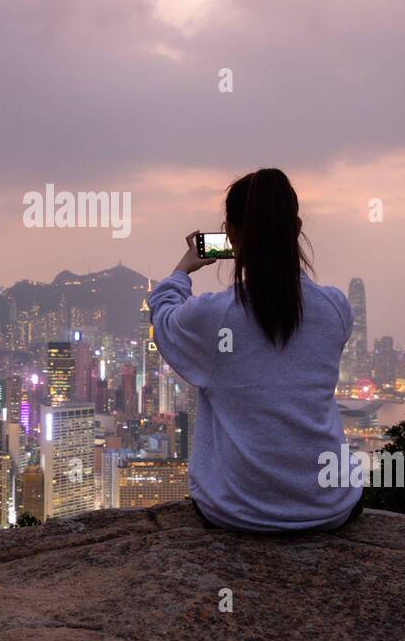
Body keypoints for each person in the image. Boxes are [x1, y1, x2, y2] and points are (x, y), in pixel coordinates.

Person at [147, 167, 363, 532]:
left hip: (237, 511)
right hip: (329, 507)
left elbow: (164, 319)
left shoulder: (214, 316)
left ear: (230, 235)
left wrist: (185, 266)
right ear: (296, 229)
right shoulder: (335, 309)